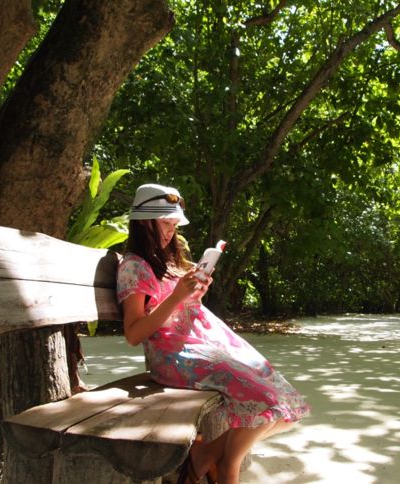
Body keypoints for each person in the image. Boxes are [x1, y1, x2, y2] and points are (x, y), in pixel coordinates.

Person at [117, 183, 310, 484]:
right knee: (268, 401)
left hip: (206, 344)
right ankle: (228, 466)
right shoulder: (134, 266)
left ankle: (205, 455)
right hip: (174, 357)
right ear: (144, 222)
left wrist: (195, 294)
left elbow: (180, 308)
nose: (171, 231)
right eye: (165, 223)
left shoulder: (169, 263)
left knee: (287, 405)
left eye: (174, 225)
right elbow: (133, 333)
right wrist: (178, 296)